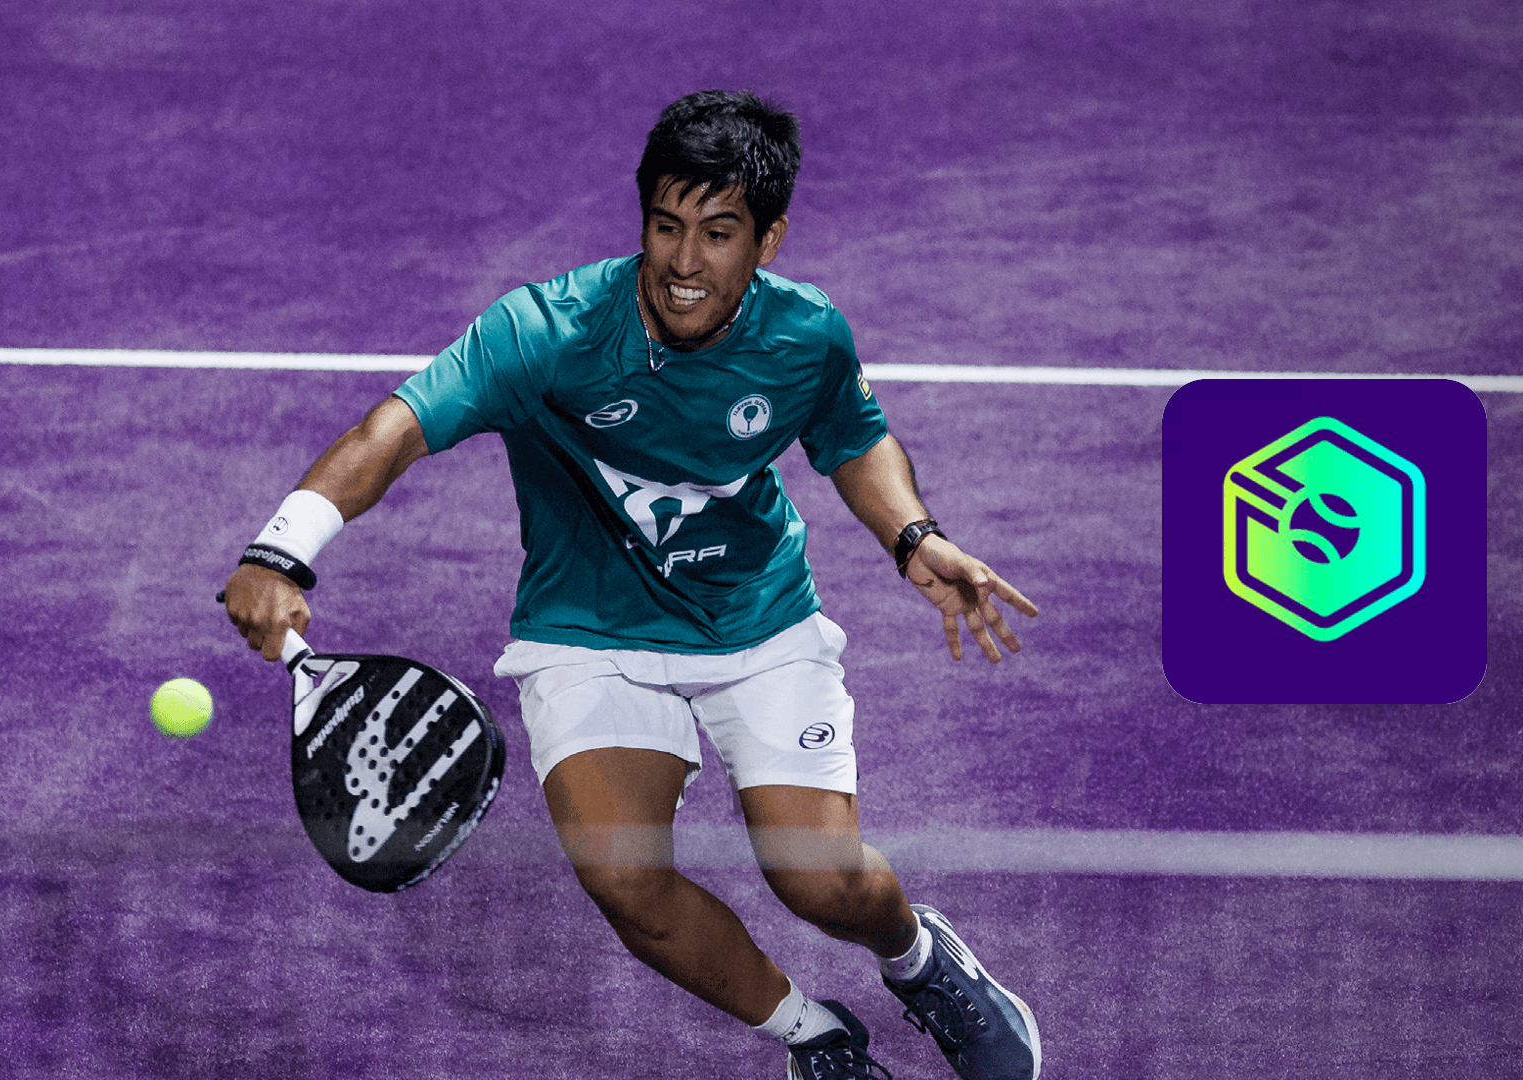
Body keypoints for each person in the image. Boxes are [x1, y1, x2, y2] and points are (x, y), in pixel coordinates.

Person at [223, 90, 1042, 1080]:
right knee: (625, 880)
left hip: (753, 617)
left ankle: (920, 961)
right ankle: (813, 1036)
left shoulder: (806, 334)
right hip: (590, 628)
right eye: (665, 226)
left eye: (718, 234)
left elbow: (853, 439)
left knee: (819, 882)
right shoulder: (547, 330)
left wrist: (913, 537)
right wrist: (282, 549)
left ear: (768, 240)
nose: (684, 263)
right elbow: (392, 430)